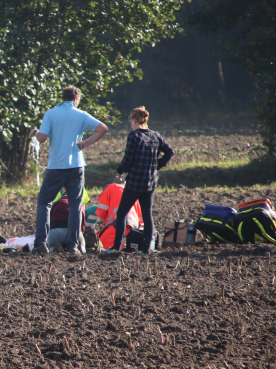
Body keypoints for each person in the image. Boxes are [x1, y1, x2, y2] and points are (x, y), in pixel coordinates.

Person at [29, 87, 109, 255]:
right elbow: (103, 129)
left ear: (63, 98)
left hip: (56, 166)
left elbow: (42, 138)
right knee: (75, 205)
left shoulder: (51, 113)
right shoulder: (81, 115)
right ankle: (73, 246)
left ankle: (40, 244)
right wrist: (86, 143)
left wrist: (35, 132)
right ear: (75, 99)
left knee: (44, 203)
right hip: (76, 166)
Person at [102, 106, 174, 256]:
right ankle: (146, 249)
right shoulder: (155, 136)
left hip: (134, 183)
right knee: (147, 215)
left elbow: (128, 158)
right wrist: (157, 166)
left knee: (122, 213)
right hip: (150, 183)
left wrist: (120, 170)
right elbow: (169, 152)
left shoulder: (134, 136)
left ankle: (116, 247)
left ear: (134, 120)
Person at [87, 175, 143, 250]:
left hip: (115, 229)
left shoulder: (111, 187)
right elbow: (141, 222)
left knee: (98, 247)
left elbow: (101, 213)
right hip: (134, 234)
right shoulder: (133, 195)